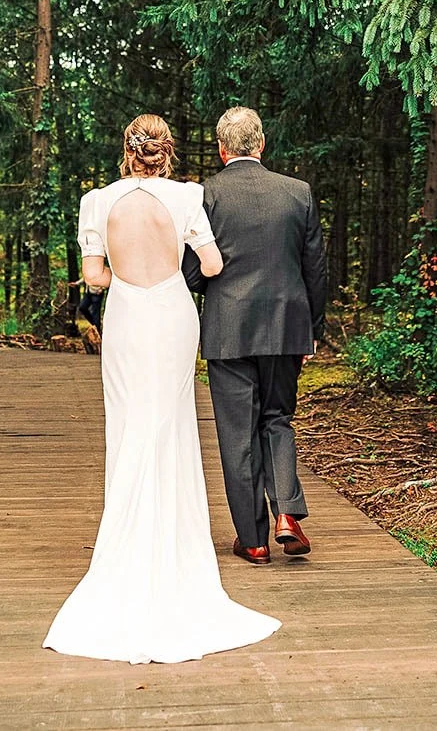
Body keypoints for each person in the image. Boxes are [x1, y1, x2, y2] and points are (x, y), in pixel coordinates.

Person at [43, 113, 278, 664]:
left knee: (130, 423)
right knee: (169, 424)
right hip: (173, 313)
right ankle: (173, 548)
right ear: (166, 152)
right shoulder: (187, 196)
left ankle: (126, 544)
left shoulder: (96, 202)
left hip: (126, 313)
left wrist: (125, 270)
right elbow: (213, 263)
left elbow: (96, 278)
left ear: (127, 151)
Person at [182, 106, 327, 565]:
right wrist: (313, 331)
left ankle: (254, 540)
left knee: (237, 434)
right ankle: (287, 514)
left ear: (222, 149)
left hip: (228, 330)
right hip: (287, 327)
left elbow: (193, 274)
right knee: (278, 418)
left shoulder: (206, 196)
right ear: (261, 145)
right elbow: (315, 270)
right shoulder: (298, 193)